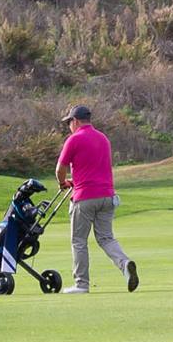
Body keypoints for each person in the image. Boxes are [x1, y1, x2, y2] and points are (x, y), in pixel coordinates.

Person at [55, 105, 138, 294]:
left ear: (75, 121)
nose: (69, 126)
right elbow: (92, 167)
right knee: (106, 238)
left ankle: (81, 284)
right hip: (107, 196)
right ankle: (125, 264)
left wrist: (62, 183)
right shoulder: (103, 138)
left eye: (69, 122)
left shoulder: (74, 139)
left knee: (78, 240)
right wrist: (74, 180)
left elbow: (60, 169)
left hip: (84, 197)